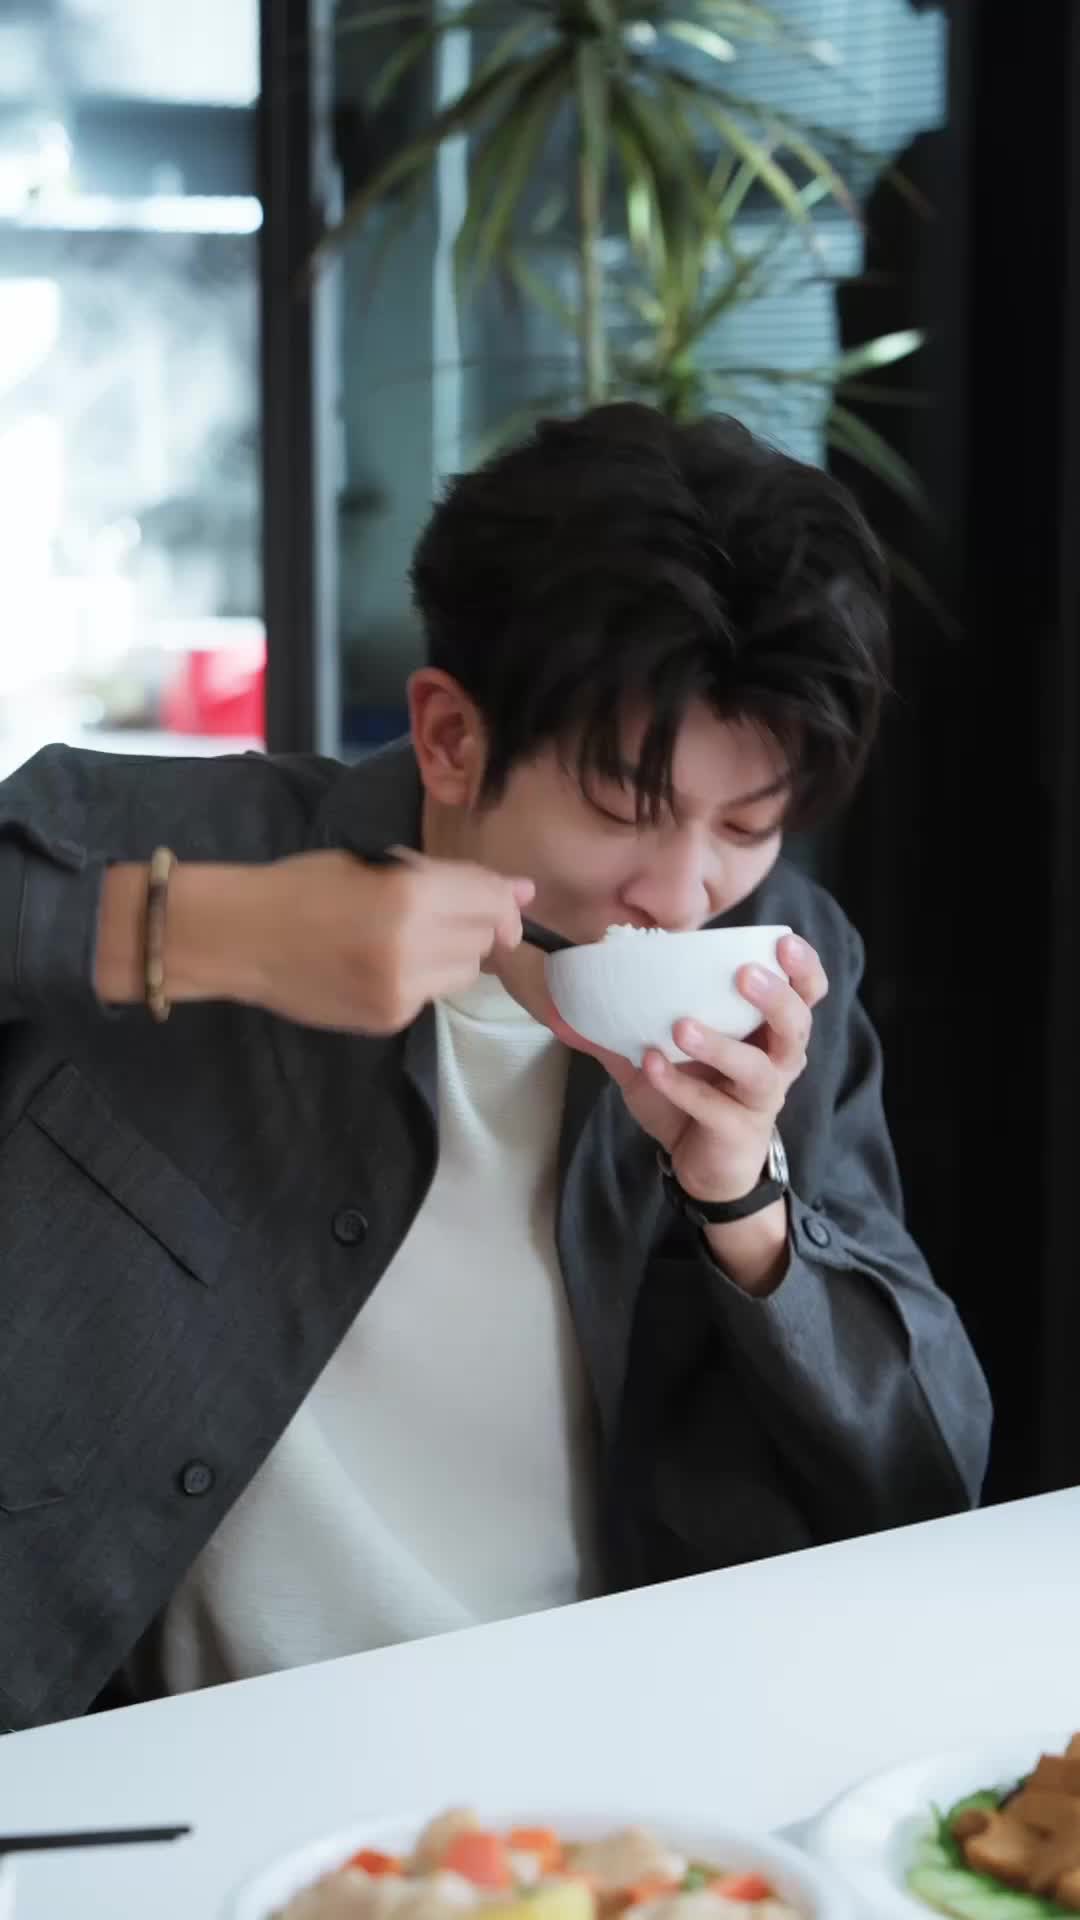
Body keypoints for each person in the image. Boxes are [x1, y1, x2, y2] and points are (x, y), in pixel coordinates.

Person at [0, 404, 990, 1735]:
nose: (681, 893)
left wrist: (743, 1200)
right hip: (141, 1766)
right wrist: (205, 934)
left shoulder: (780, 973)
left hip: (590, 1753)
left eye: (749, 825)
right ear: (451, 736)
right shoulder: (187, 850)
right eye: (626, 809)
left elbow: (927, 1479)